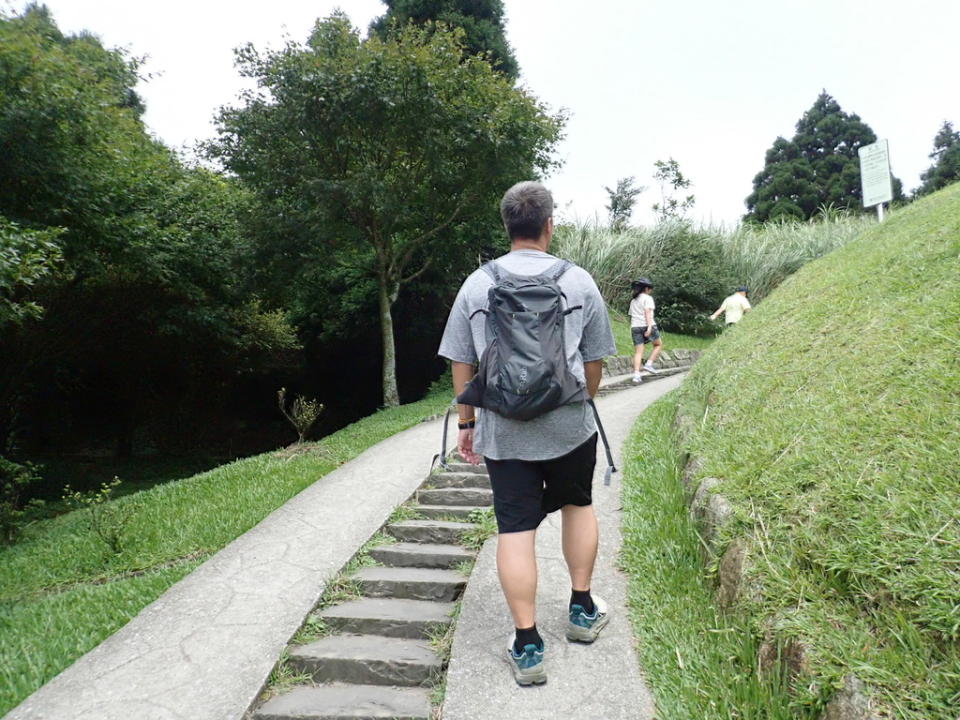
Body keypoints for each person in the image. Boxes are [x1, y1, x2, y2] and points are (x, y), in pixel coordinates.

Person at [438, 181, 617, 686]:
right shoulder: (577, 280)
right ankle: (582, 611)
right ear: (548, 224)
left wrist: (468, 425)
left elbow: (461, 359)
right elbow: (595, 359)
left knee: (515, 530)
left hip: (505, 431)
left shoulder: (477, 283)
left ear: (506, 226)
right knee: (577, 506)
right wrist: (584, 402)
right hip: (568, 424)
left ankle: (528, 643)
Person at [629, 278, 663, 382]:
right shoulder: (647, 298)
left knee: (638, 352)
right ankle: (649, 364)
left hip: (635, 326)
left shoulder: (633, 300)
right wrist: (649, 327)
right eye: (650, 289)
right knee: (658, 344)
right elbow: (647, 312)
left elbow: (631, 315)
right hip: (647, 325)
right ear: (647, 288)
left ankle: (636, 375)